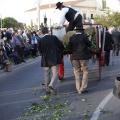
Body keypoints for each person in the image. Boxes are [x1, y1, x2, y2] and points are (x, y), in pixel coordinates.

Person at [38, 27, 64, 95]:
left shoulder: (41, 40)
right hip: (54, 59)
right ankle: (51, 86)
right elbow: (60, 45)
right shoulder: (53, 37)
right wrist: (61, 50)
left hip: (45, 60)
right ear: (48, 31)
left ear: (42, 32)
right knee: (55, 73)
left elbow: (40, 51)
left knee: (46, 74)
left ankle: (47, 89)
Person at [68, 26, 92, 94]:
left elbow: (69, 47)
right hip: (84, 57)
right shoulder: (84, 37)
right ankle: (83, 88)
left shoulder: (72, 37)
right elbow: (89, 45)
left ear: (75, 31)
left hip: (75, 57)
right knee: (85, 72)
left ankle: (78, 89)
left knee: (77, 72)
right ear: (81, 31)